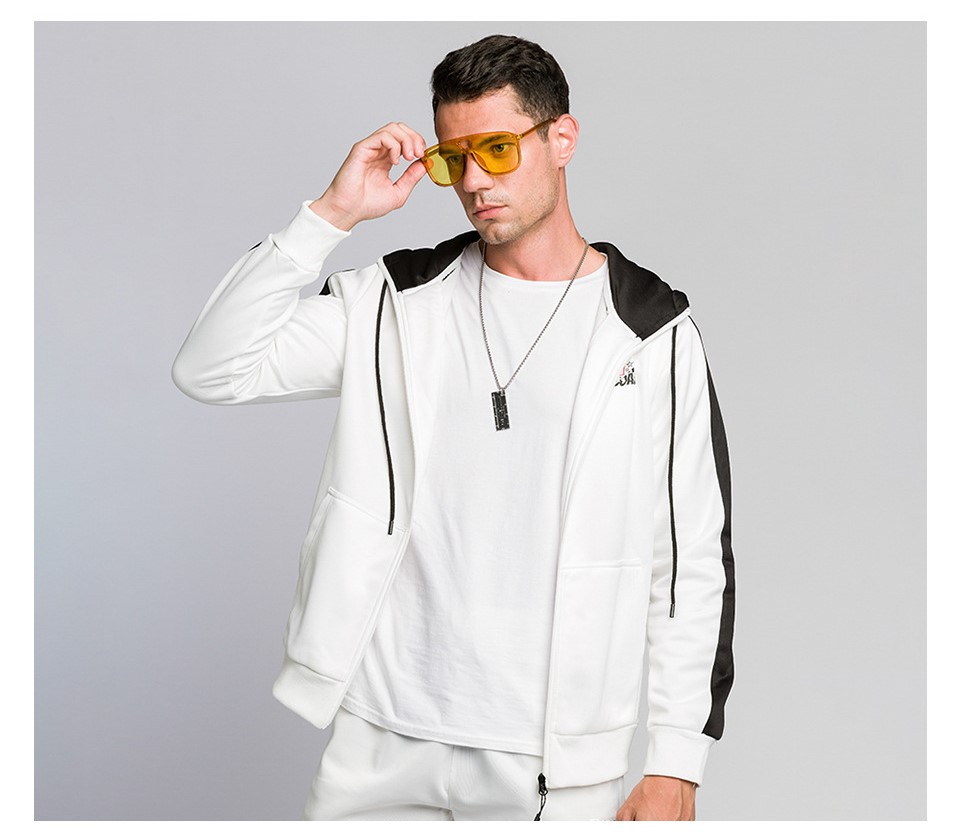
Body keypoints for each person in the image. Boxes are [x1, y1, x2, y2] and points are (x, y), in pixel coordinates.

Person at [172, 33, 735, 821]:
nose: (473, 181)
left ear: (562, 139)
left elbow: (690, 558)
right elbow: (212, 368)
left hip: (554, 759)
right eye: (452, 159)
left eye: (498, 150)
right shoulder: (396, 300)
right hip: (378, 737)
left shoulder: (649, 330)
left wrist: (677, 759)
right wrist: (330, 215)